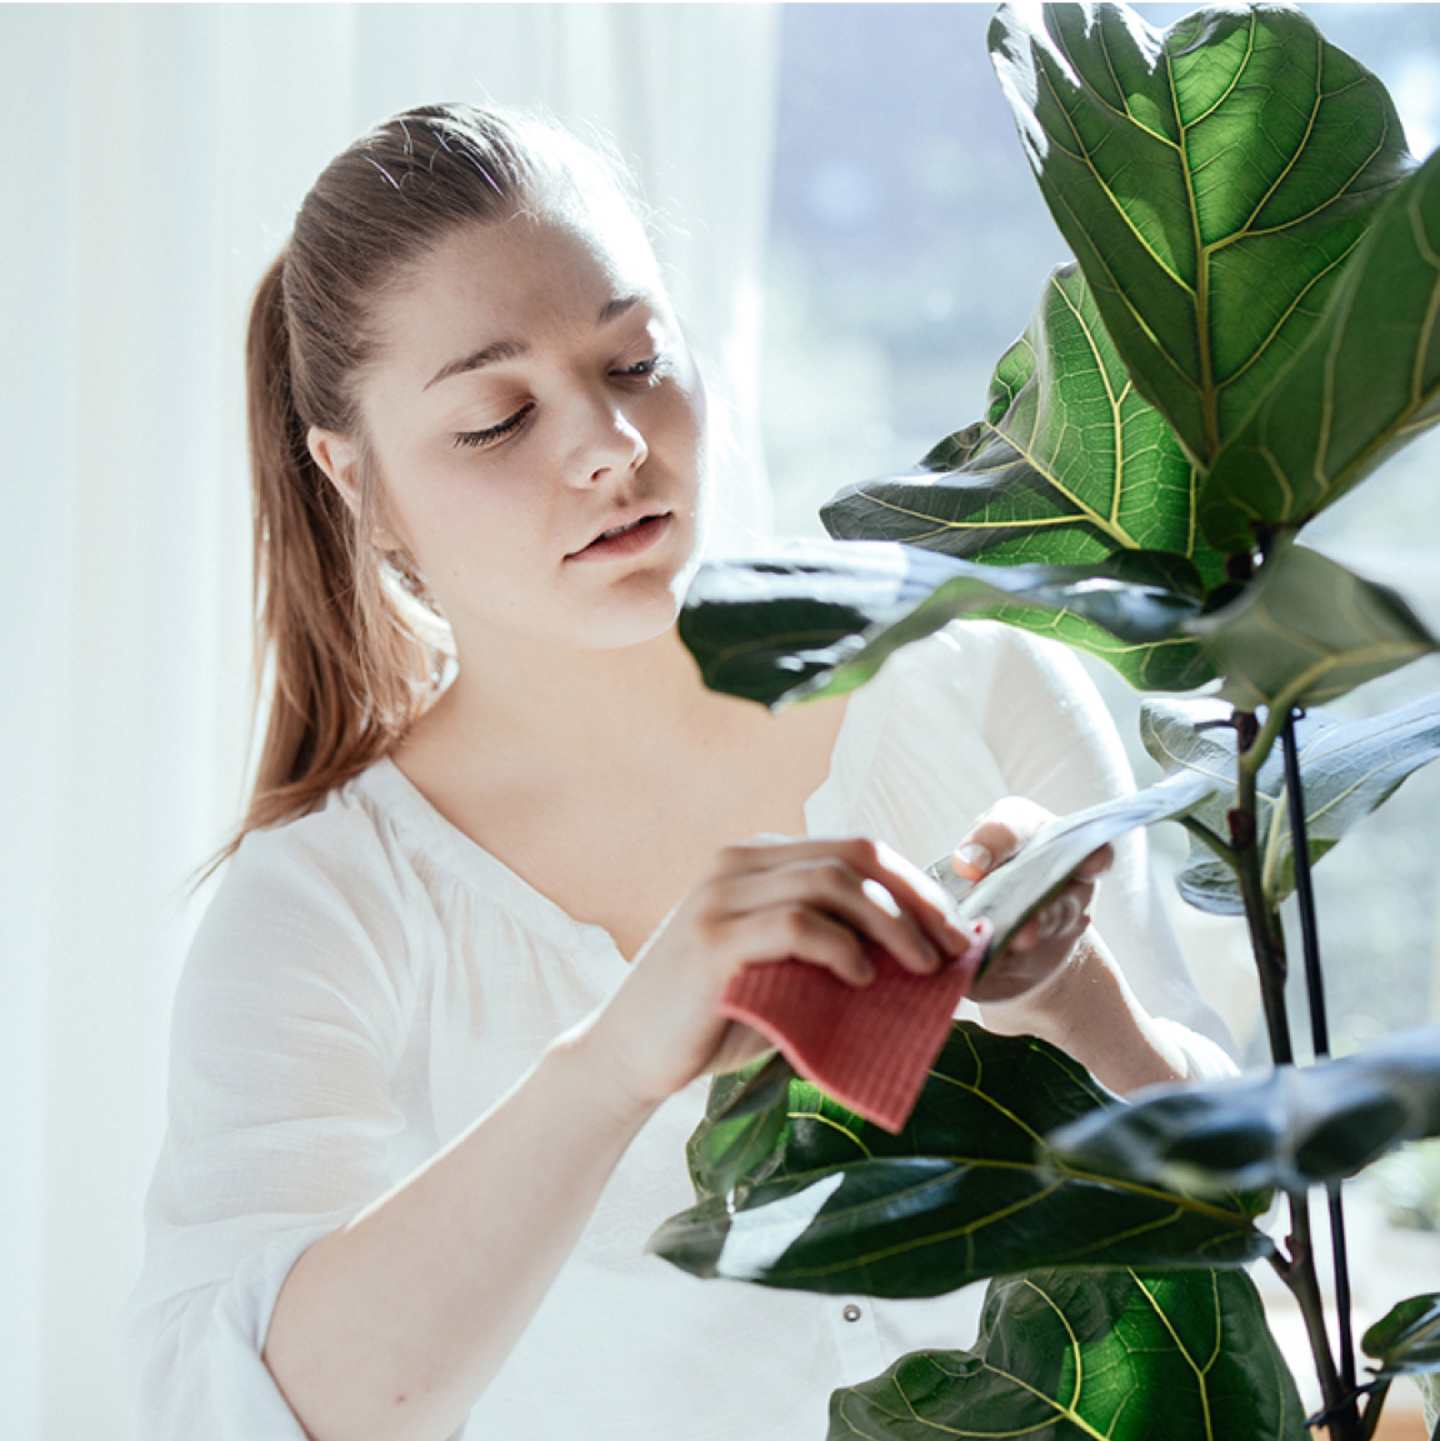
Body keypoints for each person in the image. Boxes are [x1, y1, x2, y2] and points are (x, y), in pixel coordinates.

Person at [120, 101, 1238, 1441]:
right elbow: (234, 1405)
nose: (608, 442)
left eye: (635, 357)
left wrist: (1083, 1013)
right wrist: (609, 1065)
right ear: (351, 475)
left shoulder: (975, 688)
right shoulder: (323, 902)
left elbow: (1246, 1230)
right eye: (496, 416)